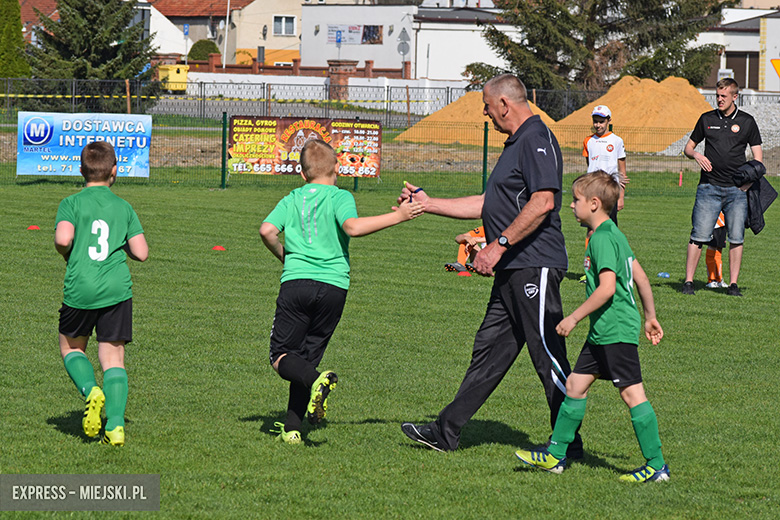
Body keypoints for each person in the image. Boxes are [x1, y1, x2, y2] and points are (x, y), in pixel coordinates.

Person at [399, 73, 581, 457]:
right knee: (489, 351)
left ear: (504, 104)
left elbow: (544, 201)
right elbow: (487, 203)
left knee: (547, 354)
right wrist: (428, 204)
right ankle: (446, 432)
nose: (485, 113)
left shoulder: (536, 137)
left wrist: (498, 245)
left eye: (486, 105)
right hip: (513, 267)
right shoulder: (515, 143)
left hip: (534, 264)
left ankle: (569, 443)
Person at [260, 139, 423, 445]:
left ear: (302, 173)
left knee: (280, 356)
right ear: (337, 169)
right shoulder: (340, 196)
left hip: (296, 283)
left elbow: (266, 231)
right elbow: (352, 226)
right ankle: (293, 428)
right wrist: (399, 216)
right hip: (335, 286)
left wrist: (284, 255)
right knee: (305, 359)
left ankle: (315, 383)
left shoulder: (292, 198)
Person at [515, 170, 669, 483]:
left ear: (595, 204)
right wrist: (650, 315)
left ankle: (657, 466)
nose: (571, 206)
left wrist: (573, 317)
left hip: (615, 331)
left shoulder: (601, 239)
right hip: (603, 333)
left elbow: (607, 288)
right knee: (574, 385)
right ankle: (555, 455)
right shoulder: (615, 234)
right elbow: (639, 277)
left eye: (576, 200)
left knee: (632, 395)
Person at [54, 141, 148, 447]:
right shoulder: (124, 207)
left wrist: (66, 250)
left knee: (71, 348)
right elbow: (142, 253)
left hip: (80, 286)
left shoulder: (70, 202)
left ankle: (90, 390)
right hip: (116, 289)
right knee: (113, 357)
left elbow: (63, 238)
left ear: (81, 171)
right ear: (114, 172)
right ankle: (116, 426)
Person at [682, 77, 762, 297]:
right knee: (698, 236)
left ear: (735, 97)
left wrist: (746, 185)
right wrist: (696, 154)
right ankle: (688, 282)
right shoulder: (706, 119)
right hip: (708, 188)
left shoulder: (747, 122)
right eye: (717, 95)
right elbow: (688, 148)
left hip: (737, 192)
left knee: (736, 237)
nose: (719, 100)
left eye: (723, 96)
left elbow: (758, 160)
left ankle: (733, 284)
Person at [583, 105, 628, 226]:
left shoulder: (617, 141)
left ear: (609, 120)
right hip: (592, 189)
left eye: (601, 122)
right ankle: (590, 246)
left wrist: (621, 197)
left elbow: (622, 171)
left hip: (609, 190)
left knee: (610, 226)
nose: (598, 125)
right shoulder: (588, 141)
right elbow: (590, 165)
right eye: (595, 122)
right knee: (591, 227)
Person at [705, 212, 728, 289]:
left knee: (719, 249)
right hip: (714, 222)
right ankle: (711, 280)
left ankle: (719, 279)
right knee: (712, 247)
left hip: (723, 222)